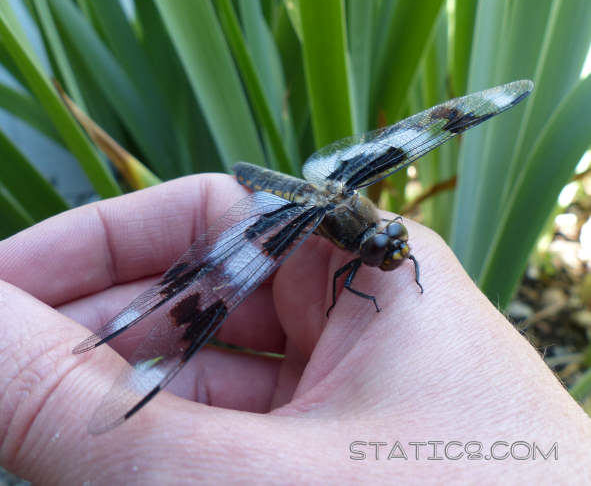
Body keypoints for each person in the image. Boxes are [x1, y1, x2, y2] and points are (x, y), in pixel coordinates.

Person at [0, 173, 589, 484]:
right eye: (383, 248)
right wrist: (40, 394)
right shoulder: (331, 238)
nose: (393, 253)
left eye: (393, 246)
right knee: (186, 311)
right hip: (289, 199)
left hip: (322, 193)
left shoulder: (376, 232)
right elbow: (342, 282)